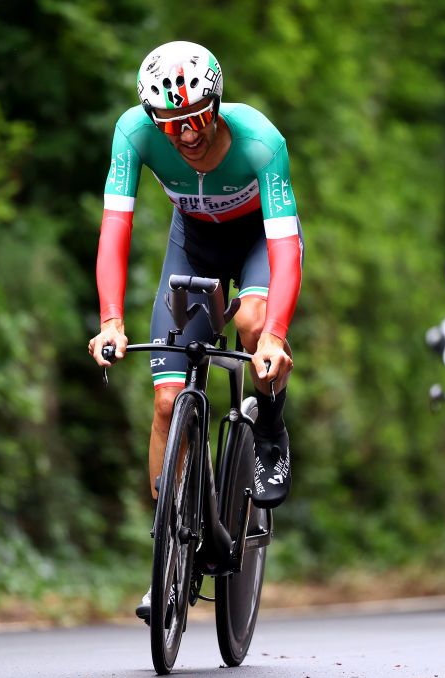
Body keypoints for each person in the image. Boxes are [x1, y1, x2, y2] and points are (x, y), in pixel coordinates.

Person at [87, 41, 303, 621]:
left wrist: (277, 336)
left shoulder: (261, 142)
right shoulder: (134, 133)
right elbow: (115, 227)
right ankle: (167, 553)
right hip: (196, 243)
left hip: (258, 242)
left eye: (195, 118)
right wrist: (111, 319)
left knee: (255, 324)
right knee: (165, 401)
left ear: (216, 102)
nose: (184, 135)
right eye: (171, 123)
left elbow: (285, 250)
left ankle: (271, 426)